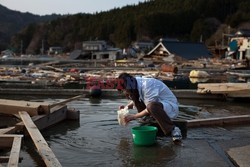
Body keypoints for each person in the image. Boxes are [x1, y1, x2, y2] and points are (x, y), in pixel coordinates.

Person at [117, 72, 182, 142]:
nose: (124, 92)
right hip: (157, 106)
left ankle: (173, 129)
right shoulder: (135, 83)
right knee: (136, 98)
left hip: (169, 107)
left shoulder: (148, 85)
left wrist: (134, 116)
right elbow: (138, 99)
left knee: (151, 106)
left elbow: (149, 108)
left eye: (124, 90)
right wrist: (126, 107)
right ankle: (148, 120)